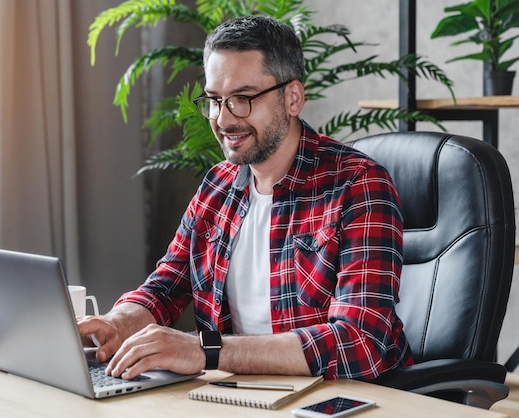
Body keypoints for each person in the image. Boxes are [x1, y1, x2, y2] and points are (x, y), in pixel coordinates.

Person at [78, 15, 413, 381]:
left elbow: (360, 344)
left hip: (342, 400)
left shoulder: (358, 185)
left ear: (293, 98)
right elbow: (167, 286)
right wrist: (118, 322)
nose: (223, 119)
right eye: (215, 99)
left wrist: (206, 350)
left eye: (243, 98)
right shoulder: (218, 187)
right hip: (240, 395)